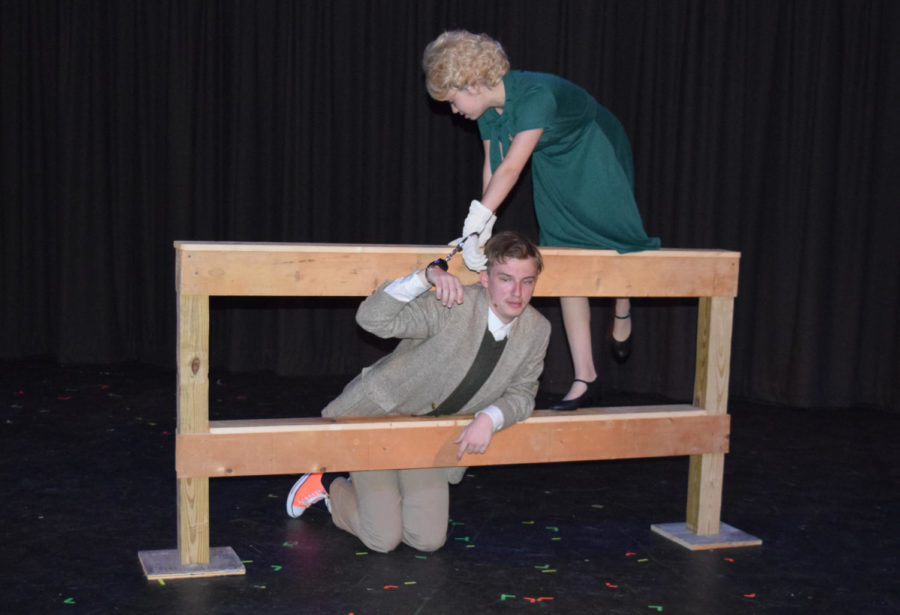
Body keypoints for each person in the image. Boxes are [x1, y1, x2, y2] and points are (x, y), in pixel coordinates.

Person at [422, 30, 660, 411]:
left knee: (614, 236)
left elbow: (514, 168)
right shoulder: (487, 112)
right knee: (564, 251)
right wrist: (480, 229)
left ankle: (622, 302)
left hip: (593, 146)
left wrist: (477, 219)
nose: (453, 111)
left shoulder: (535, 96)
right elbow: (494, 167)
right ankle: (586, 377)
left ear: (473, 84)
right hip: (555, 162)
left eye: (453, 100)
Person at [286, 231, 550, 554]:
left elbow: (523, 393)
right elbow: (372, 319)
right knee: (382, 538)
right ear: (485, 279)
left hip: (430, 437)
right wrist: (424, 278)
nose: (517, 292)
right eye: (506, 279)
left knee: (427, 539)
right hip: (377, 420)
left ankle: (376, 490)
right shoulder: (454, 305)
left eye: (528, 281)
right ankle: (329, 486)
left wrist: (490, 417)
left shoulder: (538, 330)